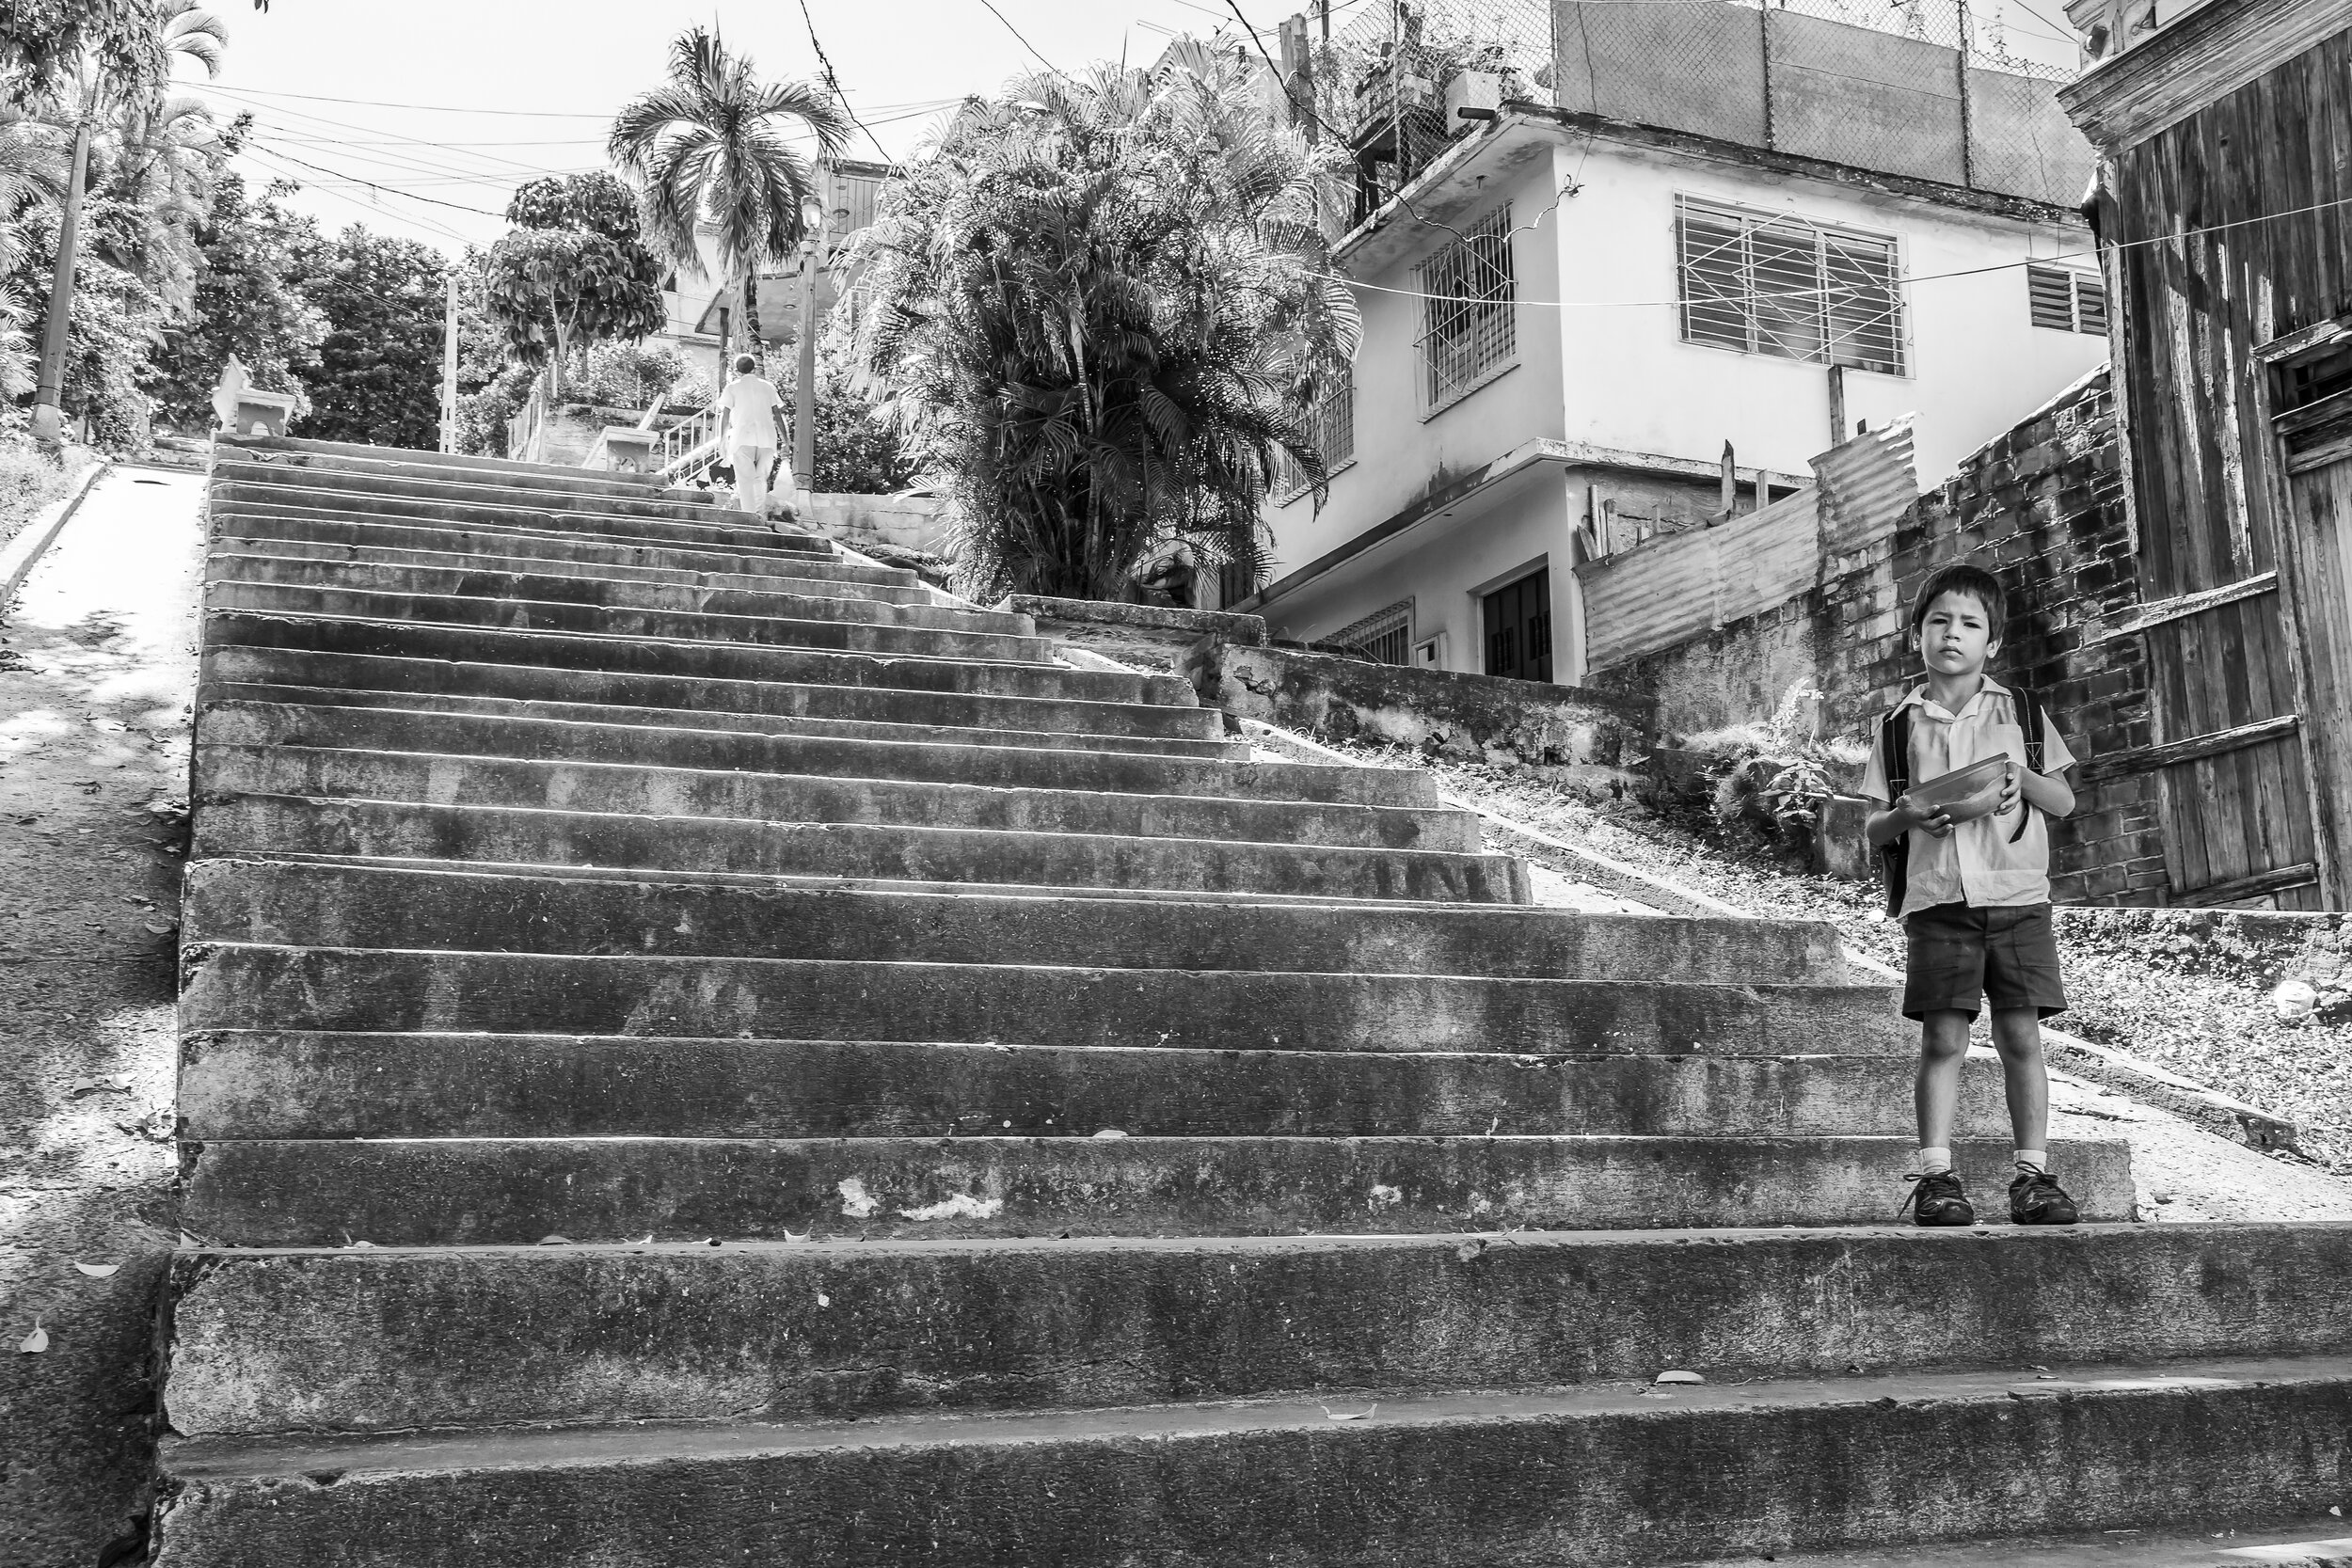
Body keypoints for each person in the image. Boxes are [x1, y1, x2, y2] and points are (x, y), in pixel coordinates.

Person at [1861, 562, 2081, 1228]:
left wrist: (2019, 777)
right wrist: (1909, 815)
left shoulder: (2020, 712)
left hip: (2017, 899)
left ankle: (2034, 1176)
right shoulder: (1898, 727)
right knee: (1943, 1040)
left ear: (1992, 642)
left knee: (2021, 1037)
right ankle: (1936, 1177)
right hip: (1938, 902)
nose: (1952, 633)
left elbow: (2064, 800)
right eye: (1938, 621)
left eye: (1969, 623)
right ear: (1918, 634)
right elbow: (1875, 826)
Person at [714, 353, 784, 521]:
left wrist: (722, 439)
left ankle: (749, 517)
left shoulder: (733, 387)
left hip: (742, 438)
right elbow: (778, 414)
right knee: (760, 479)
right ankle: (760, 516)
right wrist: (786, 440)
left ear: (737, 370)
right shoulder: (768, 387)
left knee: (745, 480)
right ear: (754, 367)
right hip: (767, 439)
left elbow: (725, 415)